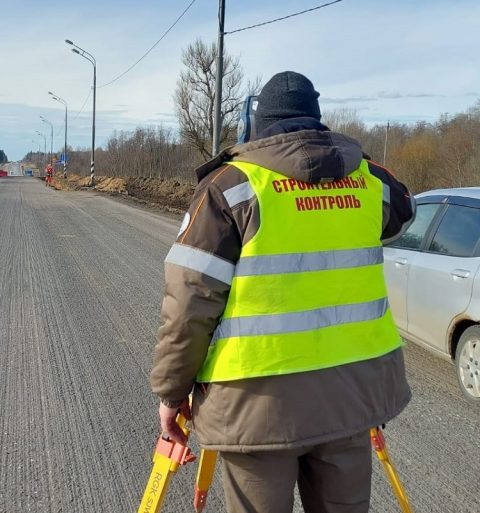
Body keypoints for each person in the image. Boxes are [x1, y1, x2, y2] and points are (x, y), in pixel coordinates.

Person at [150, 71, 415, 513]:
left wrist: (171, 393)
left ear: (258, 122)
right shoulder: (369, 182)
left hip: (255, 410)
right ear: (318, 120)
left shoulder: (230, 188)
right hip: (349, 402)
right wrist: (351, 159)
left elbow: (189, 302)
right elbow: (403, 210)